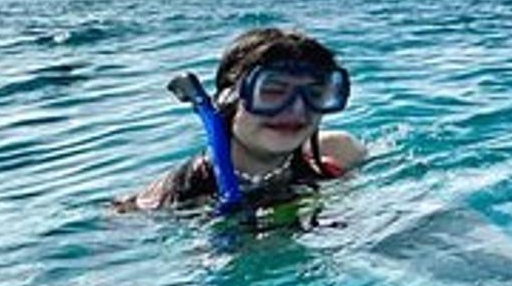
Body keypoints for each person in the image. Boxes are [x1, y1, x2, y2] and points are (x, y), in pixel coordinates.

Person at [121, 27, 368, 212]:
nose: (297, 109)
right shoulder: (163, 200)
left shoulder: (341, 152)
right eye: (272, 91)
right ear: (227, 98)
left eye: (315, 94)